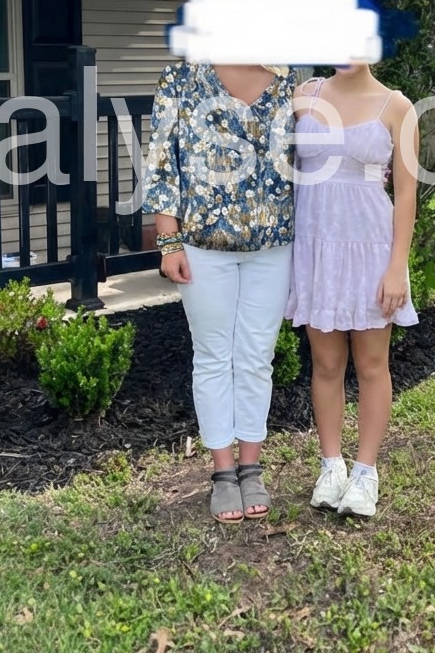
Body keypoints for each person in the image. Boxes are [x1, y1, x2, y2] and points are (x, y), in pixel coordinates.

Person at [144, 58, 296, 523]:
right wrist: (168, 242)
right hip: (203, 245)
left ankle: (251, 468)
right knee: (213, 356)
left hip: (274, 247)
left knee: (257, 357)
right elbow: (163, 162)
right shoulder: (182, 78)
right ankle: (223, 473)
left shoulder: (288, 80)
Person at [285, 62, 419, 518]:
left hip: (370, 250)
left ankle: (365, 473)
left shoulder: (397, 107)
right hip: (317, 247)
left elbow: (406, 194)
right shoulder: (304, 95)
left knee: (372, 364)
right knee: (325, 363)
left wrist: (397, 267)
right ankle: (331, 466)